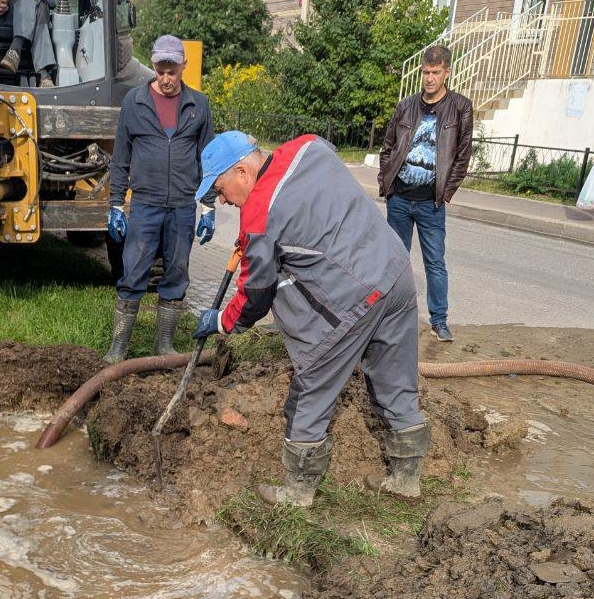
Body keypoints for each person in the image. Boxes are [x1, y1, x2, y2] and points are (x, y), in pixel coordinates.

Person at [192, 131, 430, 506]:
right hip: (394, 271)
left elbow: (255, 293)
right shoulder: (306, 146)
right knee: (396, 378)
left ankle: (297, 492)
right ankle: (406, 479)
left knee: (310, 387)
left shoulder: (259, 215)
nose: (222, 200)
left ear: (242, 172)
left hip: (354, 296)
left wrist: (223, 322)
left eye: (220, 190)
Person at [104, 34, 215, 363]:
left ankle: (163, 345)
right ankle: (119, 347)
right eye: (161, 70)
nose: (166, 78)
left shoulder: (199, 106)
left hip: (182, 207)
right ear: (153, 65)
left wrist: (208, 205)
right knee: (133, 271)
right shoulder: (134, 103)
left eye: (173, 70)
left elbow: (207, 160)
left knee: (176, 273)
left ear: (184, 66)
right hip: (145, 206)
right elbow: (120, 156)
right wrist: (114, 204)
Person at [378, 44, 473, 343]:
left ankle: (439, 320)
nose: (430, 79)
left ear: (447, 72)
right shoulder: (406, 106)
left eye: (436, 73)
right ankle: (389, 317)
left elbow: (462, 156)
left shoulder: (460, 107)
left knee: (435, 262)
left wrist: (445, 192)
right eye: (426, 73)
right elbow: (388, 146)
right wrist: (387, 183)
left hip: (431, 203)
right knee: (395, 260)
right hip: (400, 199)